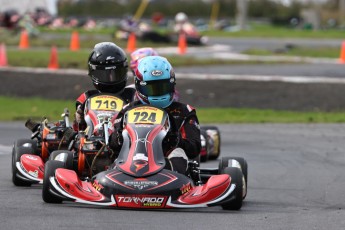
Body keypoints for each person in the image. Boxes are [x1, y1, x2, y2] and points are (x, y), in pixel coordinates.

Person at [109, 56, 201, 175]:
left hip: (167, 163)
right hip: (133, 159)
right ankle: (112, 180)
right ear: (139, 86)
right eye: (152, 89)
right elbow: (113, 145)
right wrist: (120, 137)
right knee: (118, 157)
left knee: (178, 152)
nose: (158, 93)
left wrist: (176, 140)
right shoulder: (128, 110)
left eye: (163, 87)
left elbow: (194, 148)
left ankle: (177, 184)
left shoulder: (184, 112)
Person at [73, 42, 135, 131]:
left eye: (116, 74)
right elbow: (78, 130)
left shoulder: (132, 96)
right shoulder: (86, 98)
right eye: (104, 75)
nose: (111, 79)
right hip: (93, 141)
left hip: (122, 140)